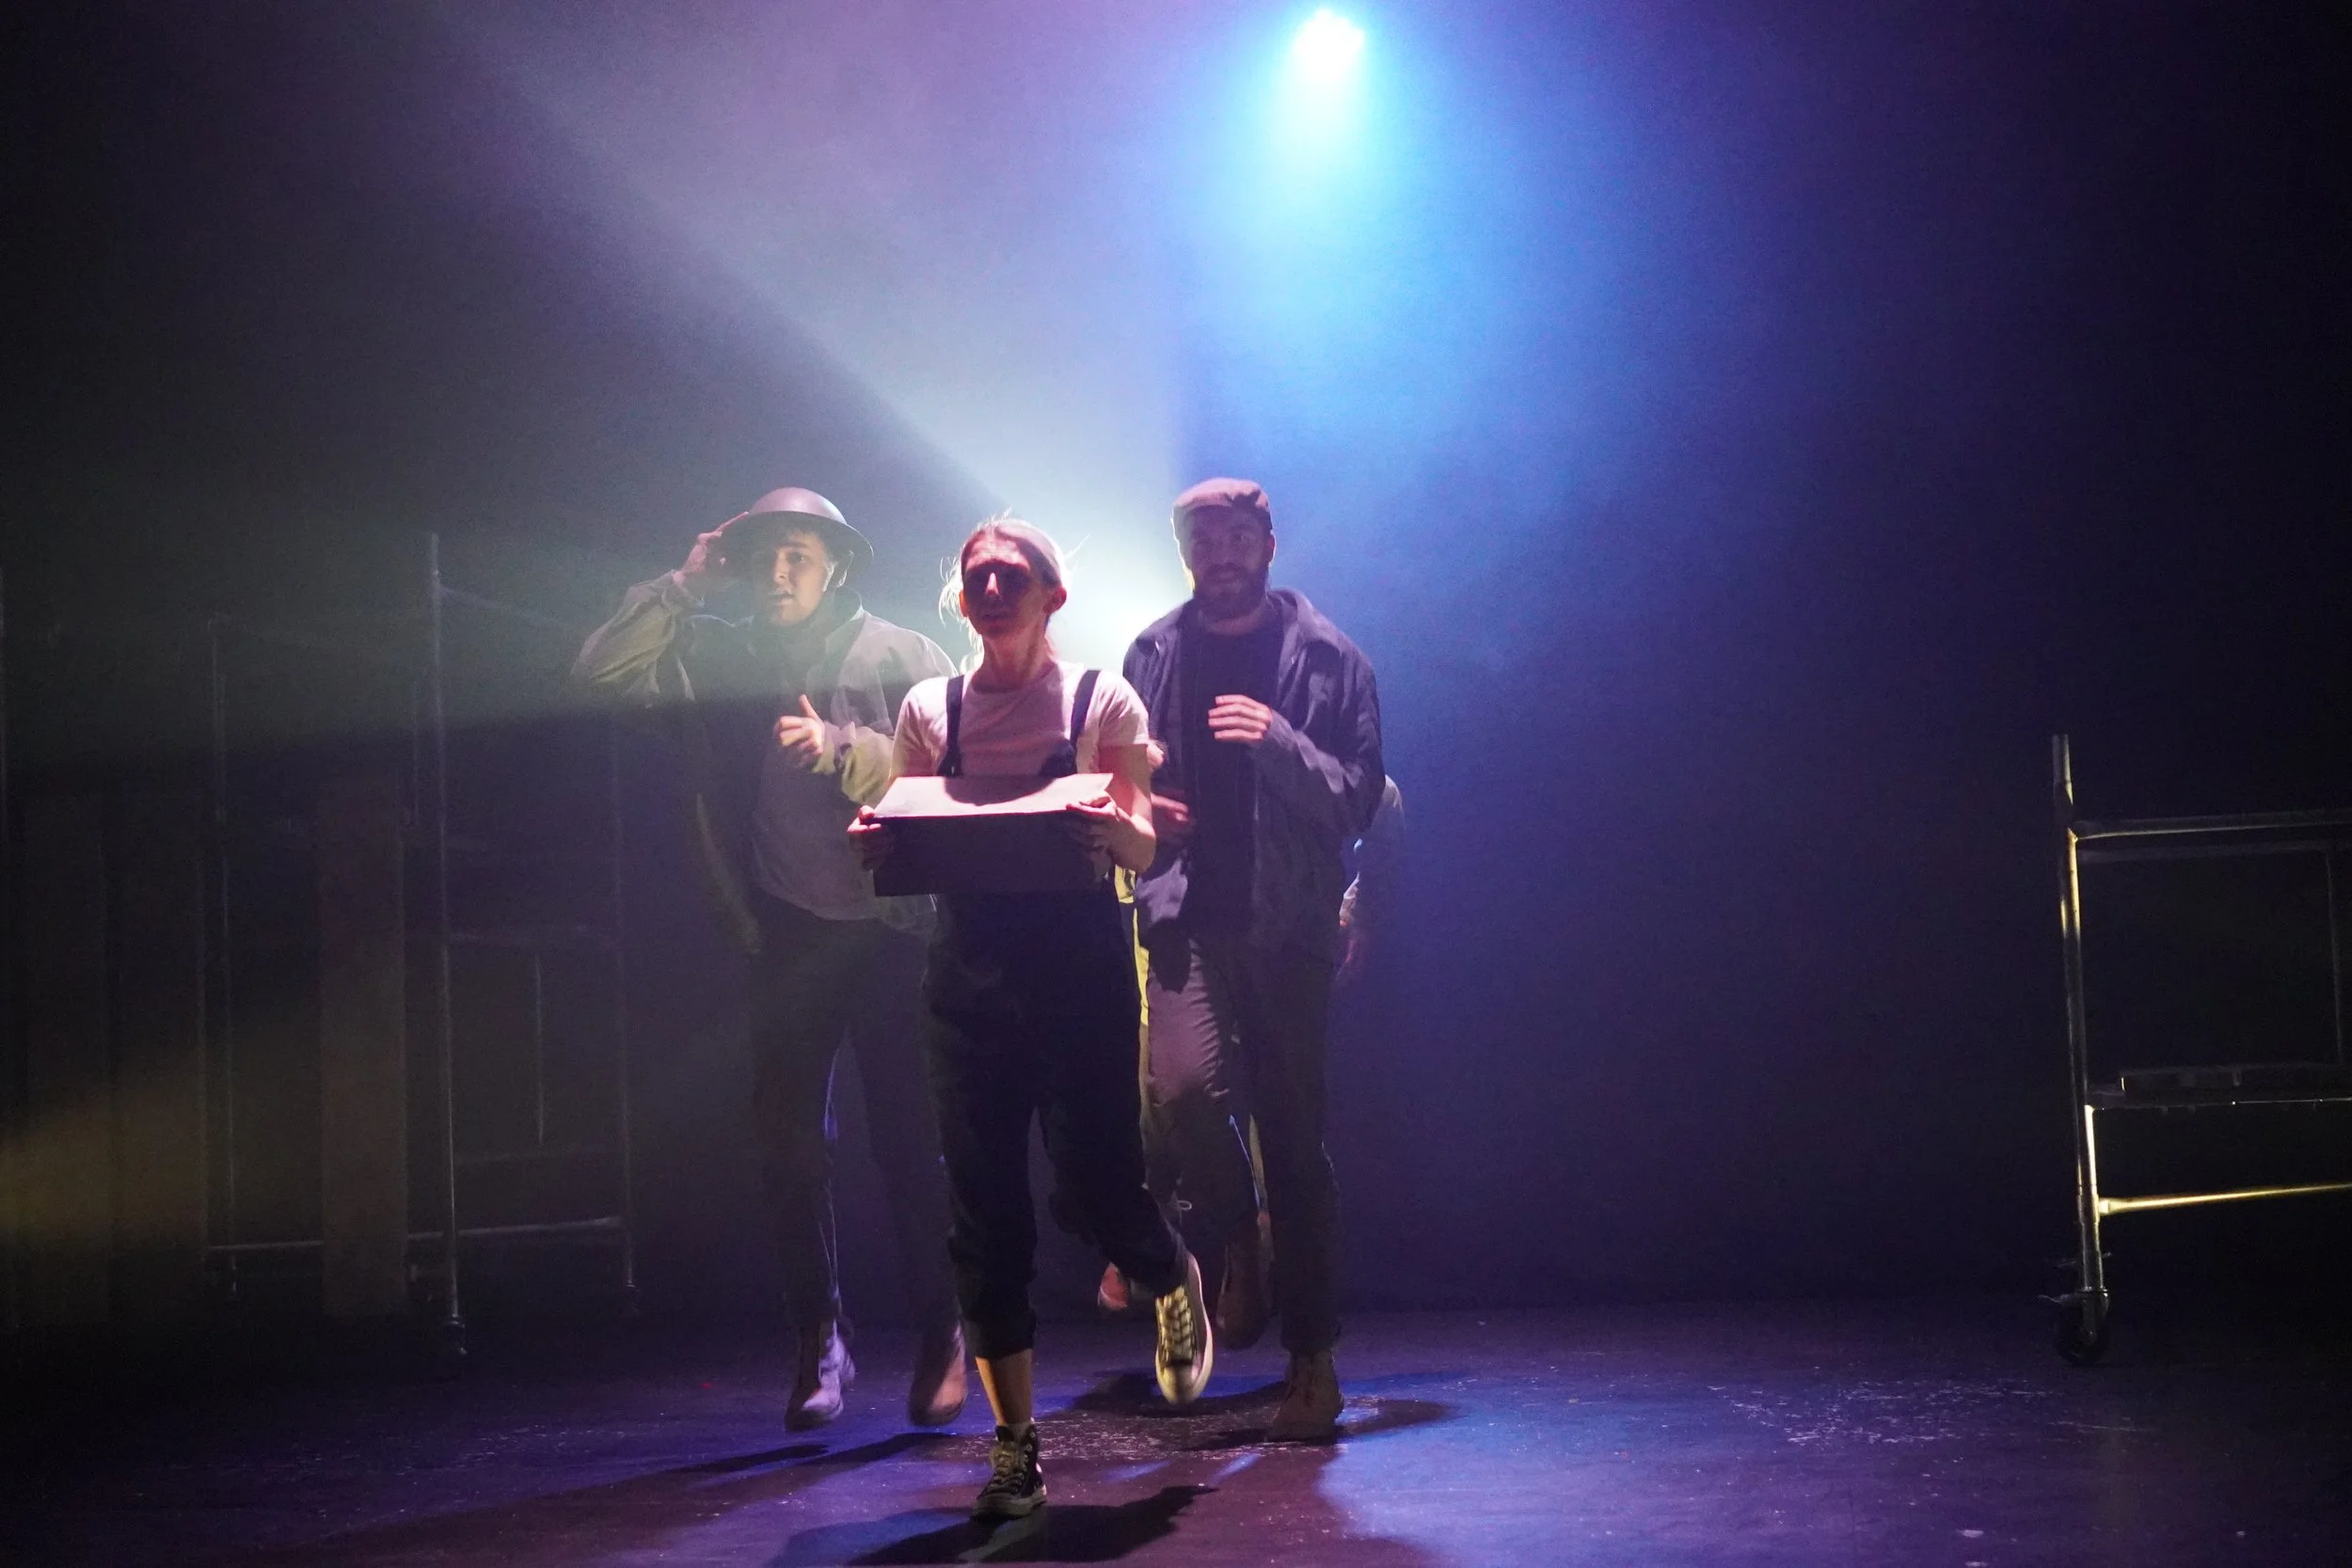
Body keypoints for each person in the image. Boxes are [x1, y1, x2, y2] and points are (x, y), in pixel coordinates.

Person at [573, 486, 966, 1432]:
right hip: (788, 932)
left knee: (912, 1145)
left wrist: (846, 747)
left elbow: (958, 772)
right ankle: (819, 1334)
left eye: (798, 555)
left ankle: (942, 1330)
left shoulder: (904, 654)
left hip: (896, 931)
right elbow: (598, 673)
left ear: (837, 566)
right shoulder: (724, 656)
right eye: (763, 557)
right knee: (789, 1145)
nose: (779, 573)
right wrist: (683, 583)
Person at [851, 515, 1211, 1520]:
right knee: (984, 1210)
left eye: (1012, 574)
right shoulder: (931, 707)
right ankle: (1015, 1446)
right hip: (969, 978)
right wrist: (876, 842)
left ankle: (1166, 1270)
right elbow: (908, 826)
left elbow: (1143, 842)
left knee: (1097, 1180)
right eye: (978, 575)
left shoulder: (1100, 697)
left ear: (1052, 594)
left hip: (1078, 971)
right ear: (961, 598)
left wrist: (1112, 828)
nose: (993, 588)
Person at [1121, 477, 1383, 1442]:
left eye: (1237, 535)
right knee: (1180, 1092)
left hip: (1287, 931)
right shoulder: (1152, 651)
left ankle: (1312, 1359)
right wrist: (1146, 811)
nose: (1220, 553)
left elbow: (1359, 798)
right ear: (1183, 550)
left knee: (1294, 1142)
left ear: (1269, 543)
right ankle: (1238, 1233)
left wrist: (1277, 740)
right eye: (1203, 538)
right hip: (1184, 915)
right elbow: (1117, 781)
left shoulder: (1330, 657)